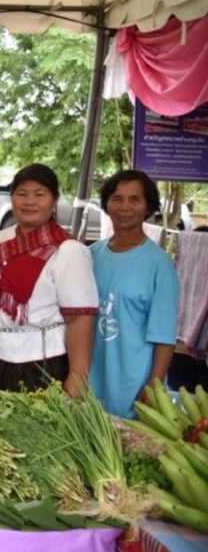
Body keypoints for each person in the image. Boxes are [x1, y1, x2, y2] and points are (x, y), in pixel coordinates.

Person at [0, 163, 98, 397]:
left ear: (54, 201)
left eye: (39, 194)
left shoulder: (69, 250)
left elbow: (80, 319)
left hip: (40, 360)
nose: (29, 201)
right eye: (22, 194)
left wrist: (78, 376)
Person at [90, 170, 179, 418]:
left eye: (135, 199)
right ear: (107, 204)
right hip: (90, 381)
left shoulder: (159, 264)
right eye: (117, 199)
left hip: (133, 386)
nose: (124, 207)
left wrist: (154, 384)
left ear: (147, 207)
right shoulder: (91, 255)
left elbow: (164, 335)